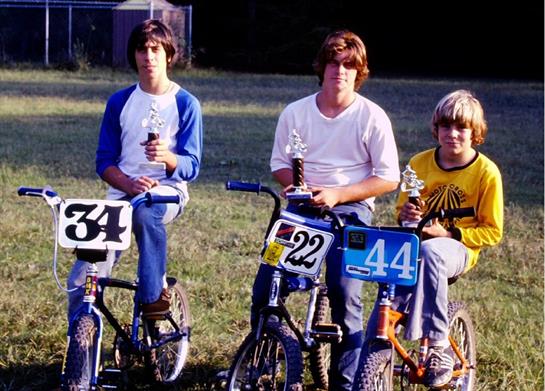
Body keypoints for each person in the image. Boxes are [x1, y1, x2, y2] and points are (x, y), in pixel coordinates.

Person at [252, 30, 400, 390]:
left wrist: (338, 194)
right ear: (322, 67)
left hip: (351, 211)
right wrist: (296, 186)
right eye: (333, 63)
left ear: (359, 72)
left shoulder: (372, 116)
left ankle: (346, 380)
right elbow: (280, 163)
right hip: (301, 211)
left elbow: (388, 177)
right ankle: (262, 362)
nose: (340, 71)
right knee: (265, 283)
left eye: (349, 64)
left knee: (346, 291)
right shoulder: (296, 112)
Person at [363, 89, 503, 388]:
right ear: (436, 128)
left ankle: (437, 345)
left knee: (432, 254)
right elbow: (403, 212)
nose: (452, 134)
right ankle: (366, 365)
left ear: (475, 132)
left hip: (457, 248)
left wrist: (449, 233)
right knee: (387, 298)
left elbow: (492, 230)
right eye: (446, 126)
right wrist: (409, 215)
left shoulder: (486, 172)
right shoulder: (419, 162)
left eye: (461, 128)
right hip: (415, 244)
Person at [66, 19, 203, 320]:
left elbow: (192, 166)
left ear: (169, 55)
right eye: (142, 49)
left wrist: (168, 157)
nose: (148, 56)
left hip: (167, 193)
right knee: (79, 281)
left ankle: (154, 299)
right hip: (122, 194)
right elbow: (104, 161)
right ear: (134, 55)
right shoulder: (119, 101)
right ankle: (81, 353)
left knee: (144, 211)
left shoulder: (185, 103)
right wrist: (128, 185)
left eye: (156, 49)